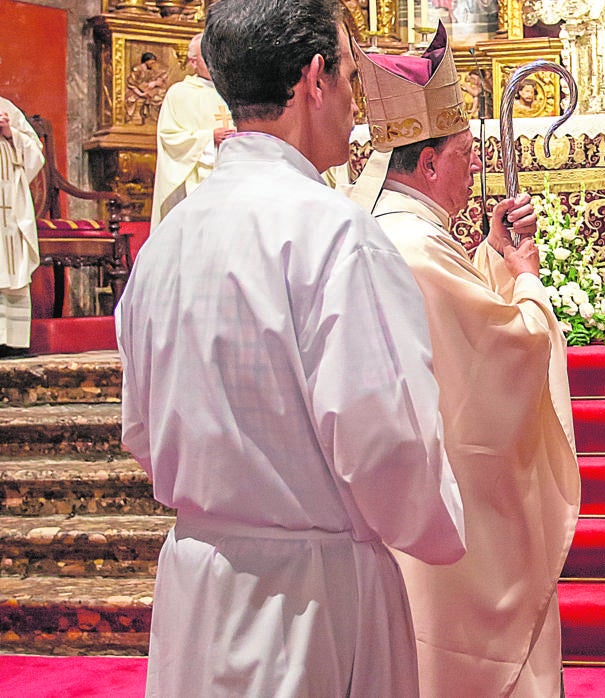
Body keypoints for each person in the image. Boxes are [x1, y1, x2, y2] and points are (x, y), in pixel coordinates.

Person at [116, 1, 465, 695]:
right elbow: (385, 442)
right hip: (313, 597)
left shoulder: (169, 241)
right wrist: (446, 528)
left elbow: (141, 431)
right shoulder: (335, 234)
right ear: (314, 79)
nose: (354, 101)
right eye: (350, 75)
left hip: (200, 582)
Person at [351, 25, 580, 697]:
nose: (472, 168)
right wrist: (527, 279)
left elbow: (455, 317)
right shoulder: (416, 247)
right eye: (464, 154)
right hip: (440, 496)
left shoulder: (384, 226)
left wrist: (489, 253)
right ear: (426, 165)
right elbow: (505, 347)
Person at [149, 33, 234, 228]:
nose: (215, 62)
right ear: (193, 62)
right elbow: (169, 137)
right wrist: (208, 138)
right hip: (198, 183)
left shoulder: (234, 91)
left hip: (236, 176)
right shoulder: (179, 94)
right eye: (208, 57)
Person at [0, 95, 44, 358]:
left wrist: (10, 133)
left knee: (12, 267)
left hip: (9, 206)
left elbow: (35, 154)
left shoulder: (7, 108)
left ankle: (13, 340)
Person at [124, 51, 169, 125]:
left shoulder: (151, 70)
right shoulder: (137, 70)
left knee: (160, 95)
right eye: (151, 63)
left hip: (146, 91)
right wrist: (141, 94)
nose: (153, 65)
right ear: (146, 62)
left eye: (153, 63)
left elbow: (158, 79)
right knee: (154, 97)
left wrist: (155, 83)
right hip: (135, 92)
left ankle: (155, 119)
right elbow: (132, 84)